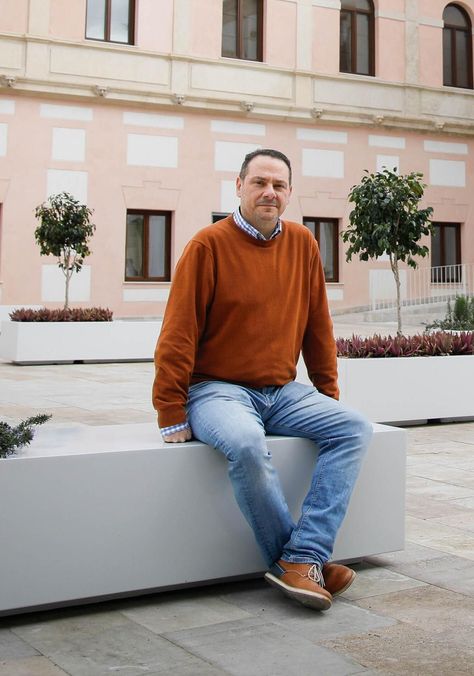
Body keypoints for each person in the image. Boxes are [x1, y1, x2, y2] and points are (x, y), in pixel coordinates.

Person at [153, 147, 373, 611]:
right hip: (215, 388)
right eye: (259, 183)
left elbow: (319, 327)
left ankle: (303, 554)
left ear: (290, 193)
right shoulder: (206, 246)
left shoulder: (304, 244)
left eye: (278, 185)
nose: (269, 192)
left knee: (353, 427)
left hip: (282, 391)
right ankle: (300, 561)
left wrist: (328, 395)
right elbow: (178, 332)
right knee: (247, 443)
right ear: (238, 186)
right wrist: (170, 410)